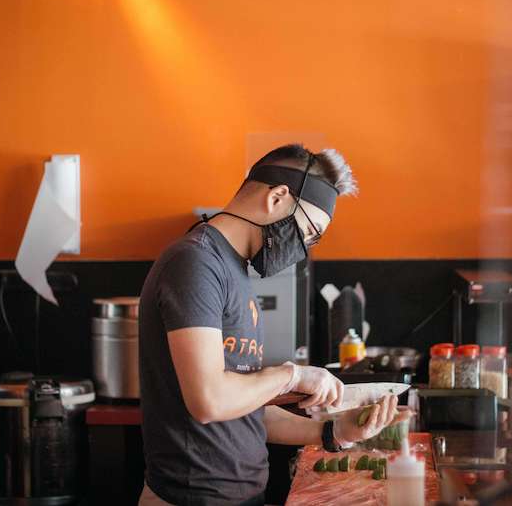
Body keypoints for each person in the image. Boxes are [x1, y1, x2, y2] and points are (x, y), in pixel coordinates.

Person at [138, 144, 408, 505]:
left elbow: (247, 408)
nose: (305, 246)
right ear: (279, 197)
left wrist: (334, 431)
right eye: (309, 231)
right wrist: (293, 376)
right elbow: (209, 400)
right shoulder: (195, 263)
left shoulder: (232, 270)